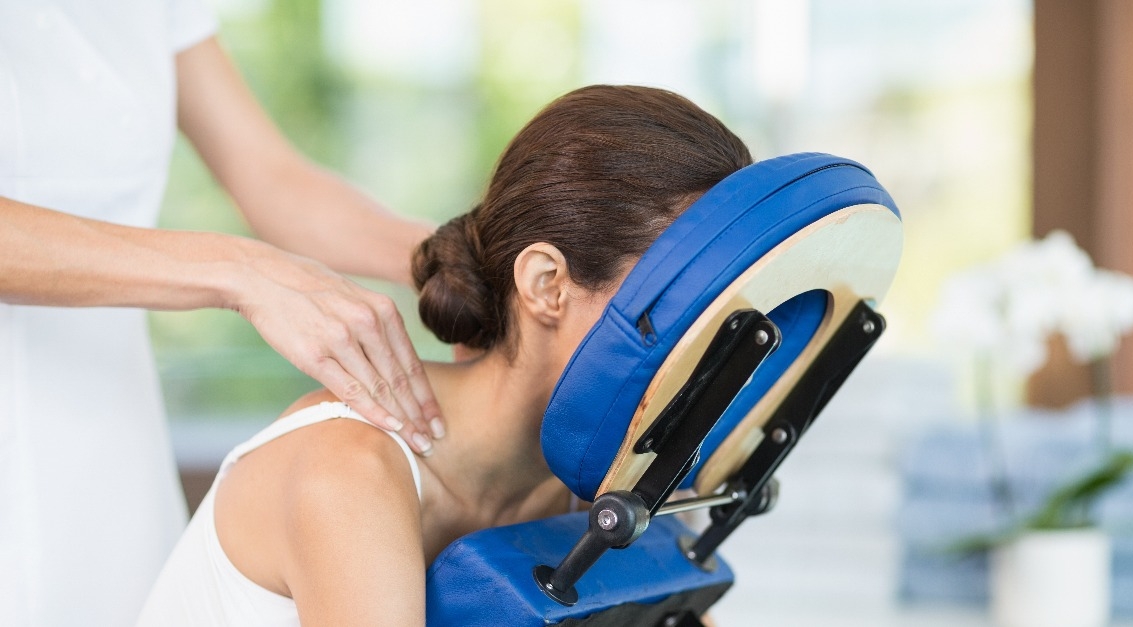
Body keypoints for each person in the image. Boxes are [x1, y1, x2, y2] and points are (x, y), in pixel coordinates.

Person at [135, 84, 753, 625]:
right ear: (547, 285)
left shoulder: (600, 489)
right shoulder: (351, 471)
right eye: (679, 299)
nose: (707, 340)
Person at [0, 3, 443, 625]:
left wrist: (464, 256)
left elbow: (272, 180)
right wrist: (235, 270)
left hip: (107, 443)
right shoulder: (341, 479)